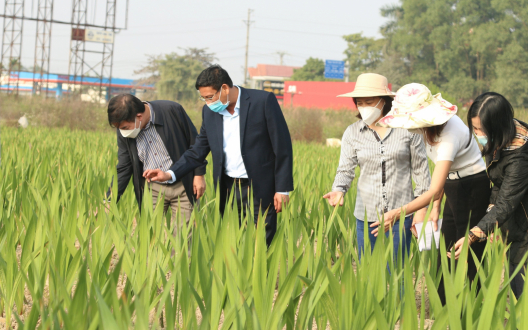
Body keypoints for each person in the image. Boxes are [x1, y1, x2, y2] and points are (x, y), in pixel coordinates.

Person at [143, 65, 294, 246]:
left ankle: (261, 274)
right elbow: (198, 150)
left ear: (224, 88)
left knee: (261, 241)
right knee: (232, 242)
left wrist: (282, 189)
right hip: (228, 188)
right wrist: (169, 173)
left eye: (210, 97)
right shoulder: (210, 112)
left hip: (259, 187)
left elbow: (282, 146)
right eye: (203, 98)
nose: (207, 103)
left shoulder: (262, 101)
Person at [372, 83, 490, 302]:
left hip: (473, 187)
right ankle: (444, 306)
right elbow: (441, 177)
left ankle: (475, 307)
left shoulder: (448, 136)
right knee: (445, 249)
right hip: (454, 185)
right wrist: (435, 207)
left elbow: (434, 189)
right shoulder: (430, 129)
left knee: (470, 249)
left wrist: (398, 213)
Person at [452, 92, 528, 298]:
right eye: (474, 128)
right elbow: (499, 187)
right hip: (517, 227)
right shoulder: (502, 140)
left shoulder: (521, 160)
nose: (477, 133)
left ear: (497, 126)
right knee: (519, 289)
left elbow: (506, 203)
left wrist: (475, 233)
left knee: (527, 296)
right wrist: (492, 223)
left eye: (481, 129)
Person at [322, 73, 431, 263]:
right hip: (366, 216)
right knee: (368, 273)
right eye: (360, 102)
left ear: (384, 101)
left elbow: (422, 172)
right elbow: (345, 169)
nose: (364, 106)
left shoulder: (408, 129)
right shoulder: (353, 132)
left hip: (400, 214)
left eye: (369, 101)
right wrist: (338, 190)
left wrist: (421, 209)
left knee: (397, 273)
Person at [108, 94, 206, 238]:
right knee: (150, 238)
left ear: (139, 116)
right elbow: (124, 166)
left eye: (124, 127)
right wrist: (110, 198)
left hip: (184, 185)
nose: (123, 132)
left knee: (182, 240)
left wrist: (199, 174)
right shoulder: (125, 130)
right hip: (152, 188)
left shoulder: (171, 110)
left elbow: (195, 144)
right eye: (119, 128)